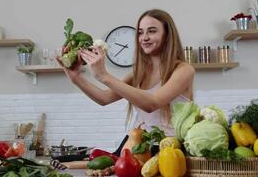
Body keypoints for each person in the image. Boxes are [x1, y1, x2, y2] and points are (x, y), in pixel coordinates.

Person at [58, 9, 194, 155]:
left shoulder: (184, 70)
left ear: (167, 35)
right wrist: (75, 78)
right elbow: (104, 98)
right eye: (140, 32)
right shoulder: (138, 75)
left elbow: (152, 103)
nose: (144, 37)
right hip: (138, 143)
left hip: (170, 147)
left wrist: (104, 75)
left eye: (152, 31)